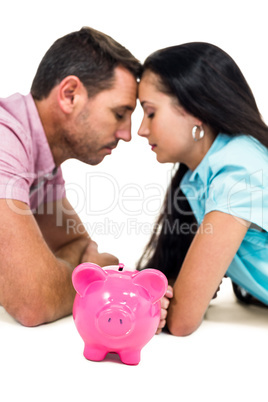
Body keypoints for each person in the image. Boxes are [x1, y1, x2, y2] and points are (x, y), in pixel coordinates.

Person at [0, 27, 140, 327]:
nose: (127, 134)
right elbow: (33, 300)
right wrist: (91, 277)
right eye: (119, 113)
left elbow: (76, 244)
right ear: (69, 94)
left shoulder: (44, 158)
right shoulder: (4, 140)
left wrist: (63, 272)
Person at [137, 42, 268, 336]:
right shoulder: (200, 177)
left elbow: (182, 321)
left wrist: (166, 305)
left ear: (195, 110)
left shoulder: (238, 168)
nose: (141, 129)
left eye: (150, 112)